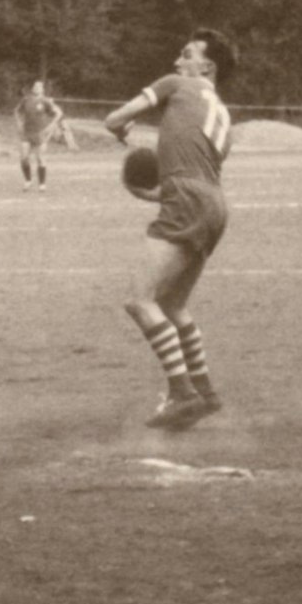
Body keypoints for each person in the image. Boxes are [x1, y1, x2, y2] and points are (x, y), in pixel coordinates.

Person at [102, 30, 236, 430]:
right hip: (214, 205)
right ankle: (205, 393)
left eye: (186, 54)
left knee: (140, 300)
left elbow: (113, 118)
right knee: (173, 304)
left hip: (187, 202)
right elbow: (194, 176)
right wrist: (149, 192)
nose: (178, 61)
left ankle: (182, 393)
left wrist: (120, 131)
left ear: (206, 66)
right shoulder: (223, 115)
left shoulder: (176, 84)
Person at [16, 80, 65, 192]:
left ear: (42, 90)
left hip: (40, 133)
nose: (37, 88)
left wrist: (51, 125)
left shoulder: (46, 101)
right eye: (35, 86)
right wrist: (19, 123)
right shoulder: (26, 100)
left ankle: (42, 184)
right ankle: (28, 181)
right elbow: (17, 111)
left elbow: (58, 113)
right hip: (26, 132)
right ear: (32, 88)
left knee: (40, 158)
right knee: (24, 158)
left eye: (39, 87)